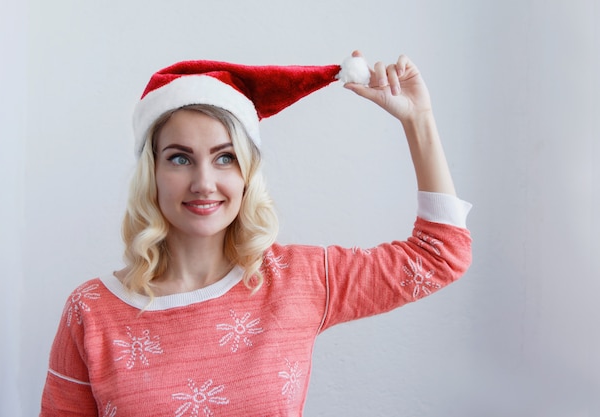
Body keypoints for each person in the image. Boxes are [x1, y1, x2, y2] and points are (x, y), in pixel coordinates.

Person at [40, 51, 472, 416]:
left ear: (248, 173)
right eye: (179, 158)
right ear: (150, 172)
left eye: (225, 157)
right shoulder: (92, 312)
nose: (204, 182)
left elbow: (439, 255)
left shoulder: (299, 281)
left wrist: (419, 122)